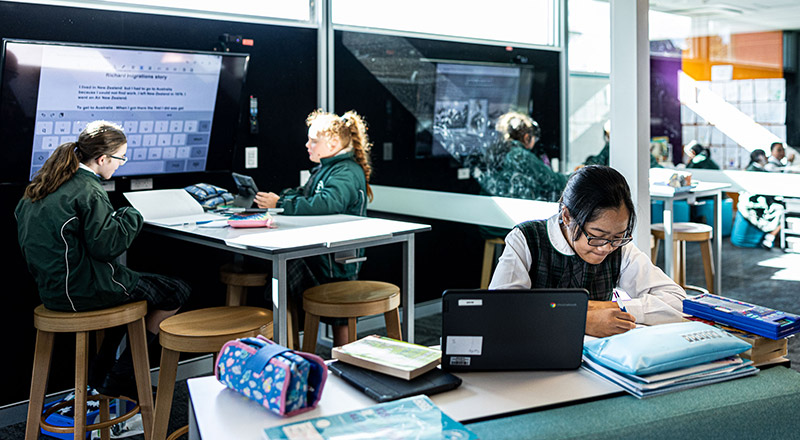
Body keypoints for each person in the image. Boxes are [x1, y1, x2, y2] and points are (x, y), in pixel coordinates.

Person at [15, 121, 191, 398]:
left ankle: (102, 372)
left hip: (52, 292)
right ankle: (120, 375)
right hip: (84, 291)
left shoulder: (42, 187)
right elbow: (107, 247)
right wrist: (132, 215)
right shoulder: (89, 189)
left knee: (128, 300)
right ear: (102, 159)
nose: (120, 164)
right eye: (120, 158)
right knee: (177, 291)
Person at [489, 165, 685, 337]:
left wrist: (609, 307)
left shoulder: (618, 247)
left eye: (618, 236)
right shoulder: (527, 239)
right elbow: (500, 311)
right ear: (567, 216)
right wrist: (579, 320)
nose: (606, 248)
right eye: (596, 236)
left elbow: (678, 301)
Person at [254, 109, 372, 346]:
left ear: (334, 143)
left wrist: (281, 204)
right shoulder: (327, 168)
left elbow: (328, 202)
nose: (307, 145)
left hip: (336, 262)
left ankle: (296, 349)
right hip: (327, 258)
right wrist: (282, 199)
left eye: (314, 140)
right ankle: (289, 347)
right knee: (284, 272)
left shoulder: (346, 171)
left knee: (288, 275)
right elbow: (306, 194)